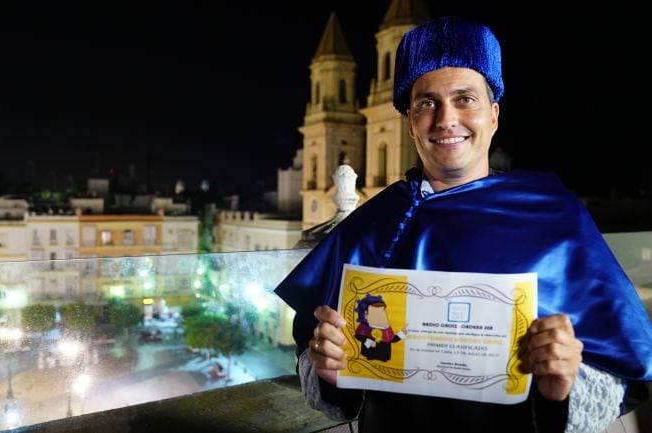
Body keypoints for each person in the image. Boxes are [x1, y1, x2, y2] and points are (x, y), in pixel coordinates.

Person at [274, 16, 652, 433]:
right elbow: (322, 370)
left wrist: (565, 384)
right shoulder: (370, 224)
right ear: (410, 121)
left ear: (493, 115)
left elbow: (626, 371)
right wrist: (327, 368)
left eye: (465, 99)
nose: (445, 119)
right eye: (426, 103)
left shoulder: (556, 217)